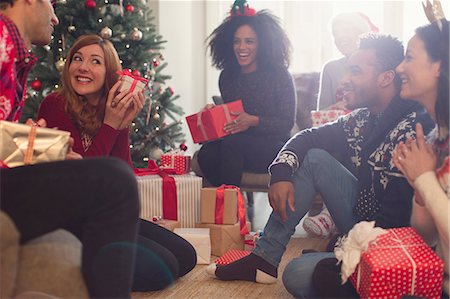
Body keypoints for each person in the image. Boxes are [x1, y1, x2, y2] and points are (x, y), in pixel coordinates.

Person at [206, 33, 436, 296]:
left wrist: (344, 249)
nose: (345, 80)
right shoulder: (363, 119)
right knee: (315, 158)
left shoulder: (413, 131)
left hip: (390, 244)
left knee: (298, 273)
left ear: (386, 78)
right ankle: (264, 258)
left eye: (355, 72)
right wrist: (280, 173)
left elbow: (394, 223)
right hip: (363, 219)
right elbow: (307, 137)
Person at [0, 0, 140, 298]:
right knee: (114, 180)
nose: (54, 18)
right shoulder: (2, 42)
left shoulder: (14, 51)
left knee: (175, 252)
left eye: (96, 62)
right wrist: (34, 147)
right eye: (51, 4)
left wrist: (35, 145)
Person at [37, 34, 197, 292]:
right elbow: (84, 183)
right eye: (77, 58)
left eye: (95, 61)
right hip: (75, 220)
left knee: (186, 256)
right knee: (162, 269)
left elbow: (123, 178)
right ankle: (73, 267)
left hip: (109, 214)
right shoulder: (55, 106)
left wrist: (122, 125)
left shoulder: (109, 107)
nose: (83, 67)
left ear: (109, 73)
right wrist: (112, 125)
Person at [310, 18, 450, 299]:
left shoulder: (417, 126)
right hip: (428, 273)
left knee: (309, 275)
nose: (400, 68)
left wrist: (424, 180)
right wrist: (421, 189)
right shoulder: (436, 135)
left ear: (439, 67)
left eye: (409, 58)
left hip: (436, 286)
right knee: (317, 275)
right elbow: (425, 235)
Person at [196, 0, 296, 187]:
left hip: (275, 146)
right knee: (206, 153)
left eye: (249, 41)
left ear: (262, 44)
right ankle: (230, 199)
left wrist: (254, 120)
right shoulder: (227, 77)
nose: (241, 47)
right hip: (237, 146)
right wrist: (214, 115)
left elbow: (286, 123)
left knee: (232, 145)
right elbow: (232, 120)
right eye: (237, 41)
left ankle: (228, 206)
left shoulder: (279, 75)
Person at [317, 12, 379, 110]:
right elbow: (321, 113)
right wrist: (334, 108)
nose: (340, 36)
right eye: (335, 33)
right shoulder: (330, 68)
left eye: (346, 30)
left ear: (362, 33)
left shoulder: (379, 63)